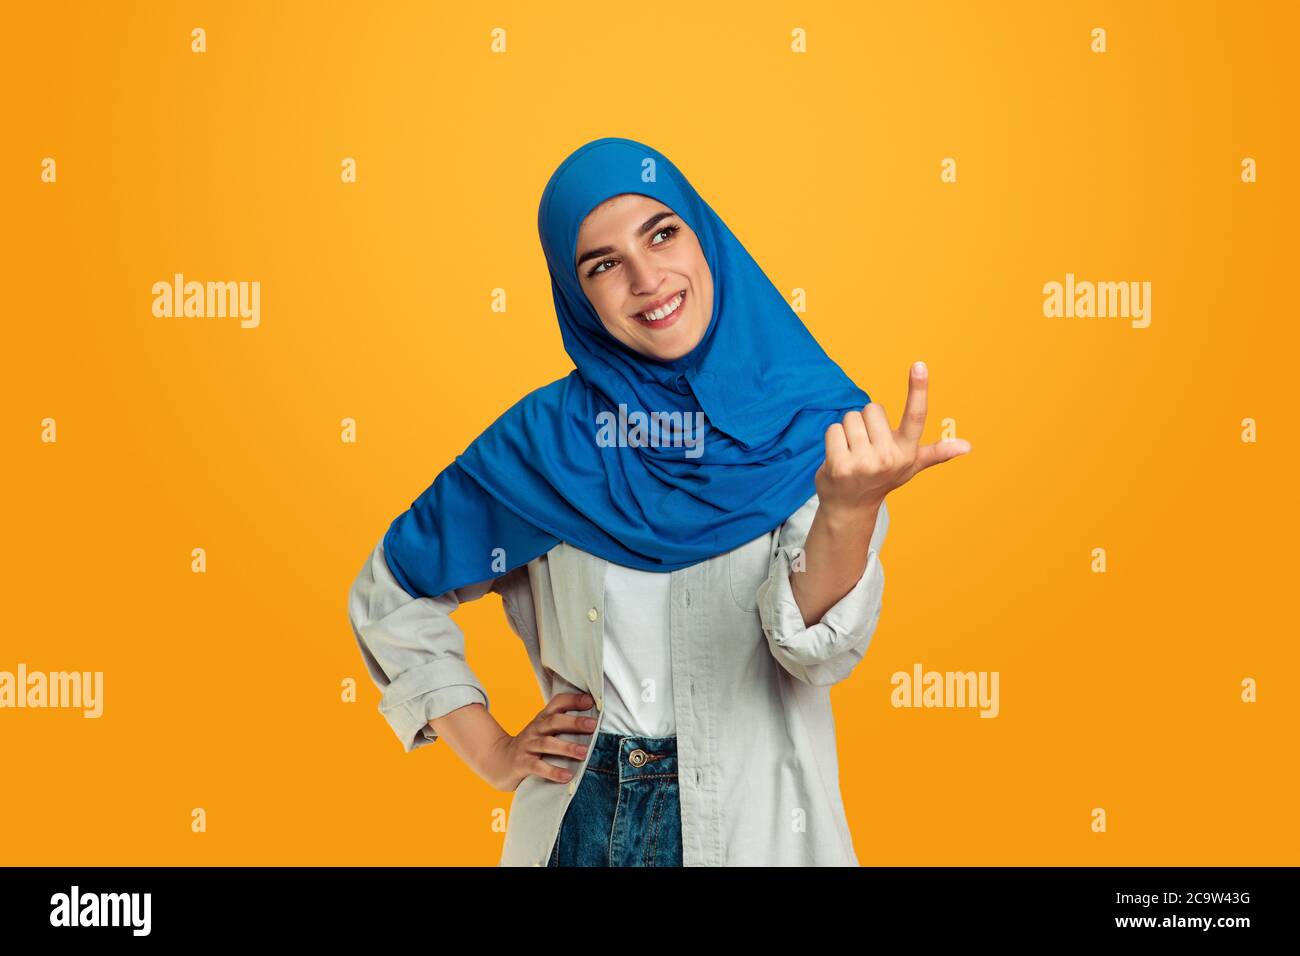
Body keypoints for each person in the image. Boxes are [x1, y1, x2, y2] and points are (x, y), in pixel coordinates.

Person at [347, 136, 971, 866]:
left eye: (663, 234)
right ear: (577, 296)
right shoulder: (546, 444)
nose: (647, 278)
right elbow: (391, 593)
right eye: (604, 265)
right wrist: (490, 750)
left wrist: (847, 512)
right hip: (581, 824)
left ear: (704, 238)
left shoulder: (816, 430)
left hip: (756, 827)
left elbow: (812, 657)